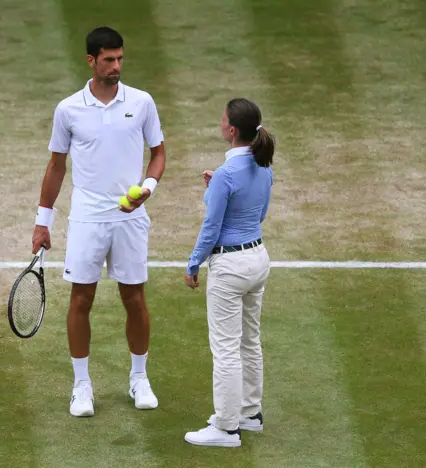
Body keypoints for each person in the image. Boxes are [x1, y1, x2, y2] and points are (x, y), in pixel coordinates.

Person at [31, 26, 166, 417]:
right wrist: (43, 222)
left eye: (120, 59)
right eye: (108, 60)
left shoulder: (141, 102)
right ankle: (81, 386)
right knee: (81, 299)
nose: (116, 66)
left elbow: (158, 153)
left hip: (131, 216)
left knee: (135, 299)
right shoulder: (68, 109)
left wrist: (148, 187)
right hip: (88, 217)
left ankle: (139, 378)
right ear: (91, 61)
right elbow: (56, 167)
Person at [183, 98, 275, 447]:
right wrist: (216, 191)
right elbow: (258, 213)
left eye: (223, 119)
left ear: (232, 130)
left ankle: (225, 427)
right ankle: (249, 414)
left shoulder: (225, 175)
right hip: (258, 259)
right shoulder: (264, 166)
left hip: (231, 268)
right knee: (249, 342)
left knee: (225, 349)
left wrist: (193, 264)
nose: (220, 123)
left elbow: (212, 228)